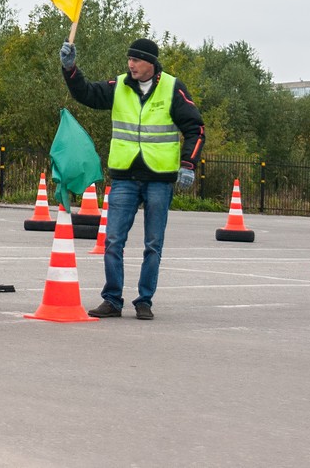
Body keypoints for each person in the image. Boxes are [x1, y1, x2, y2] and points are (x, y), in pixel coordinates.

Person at [60, 37, 204, 320]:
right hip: (125, 177)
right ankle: (112, 299)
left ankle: (144, 301)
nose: (131, 64)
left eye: (136, 60)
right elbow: (86, 94)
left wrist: (188, 164)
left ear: (150, 63)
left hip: (159, 179)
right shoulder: (119, 86)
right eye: (129, 59)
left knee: (153, 244)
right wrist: (70, 69)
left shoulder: (172, 88)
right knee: (113, 240)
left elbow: (195, 128)